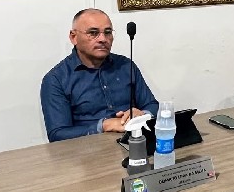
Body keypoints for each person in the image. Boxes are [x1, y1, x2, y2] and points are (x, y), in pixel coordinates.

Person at [41, 9, 159, 142]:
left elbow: (152, 105)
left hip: (134, 143)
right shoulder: (56, 79)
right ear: (74, 37)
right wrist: (103, 126)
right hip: (87, 150)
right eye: (93, 33)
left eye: (108, 32)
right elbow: (57, 134)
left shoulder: (125, 65)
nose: (103, 39)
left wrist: (143, 114)